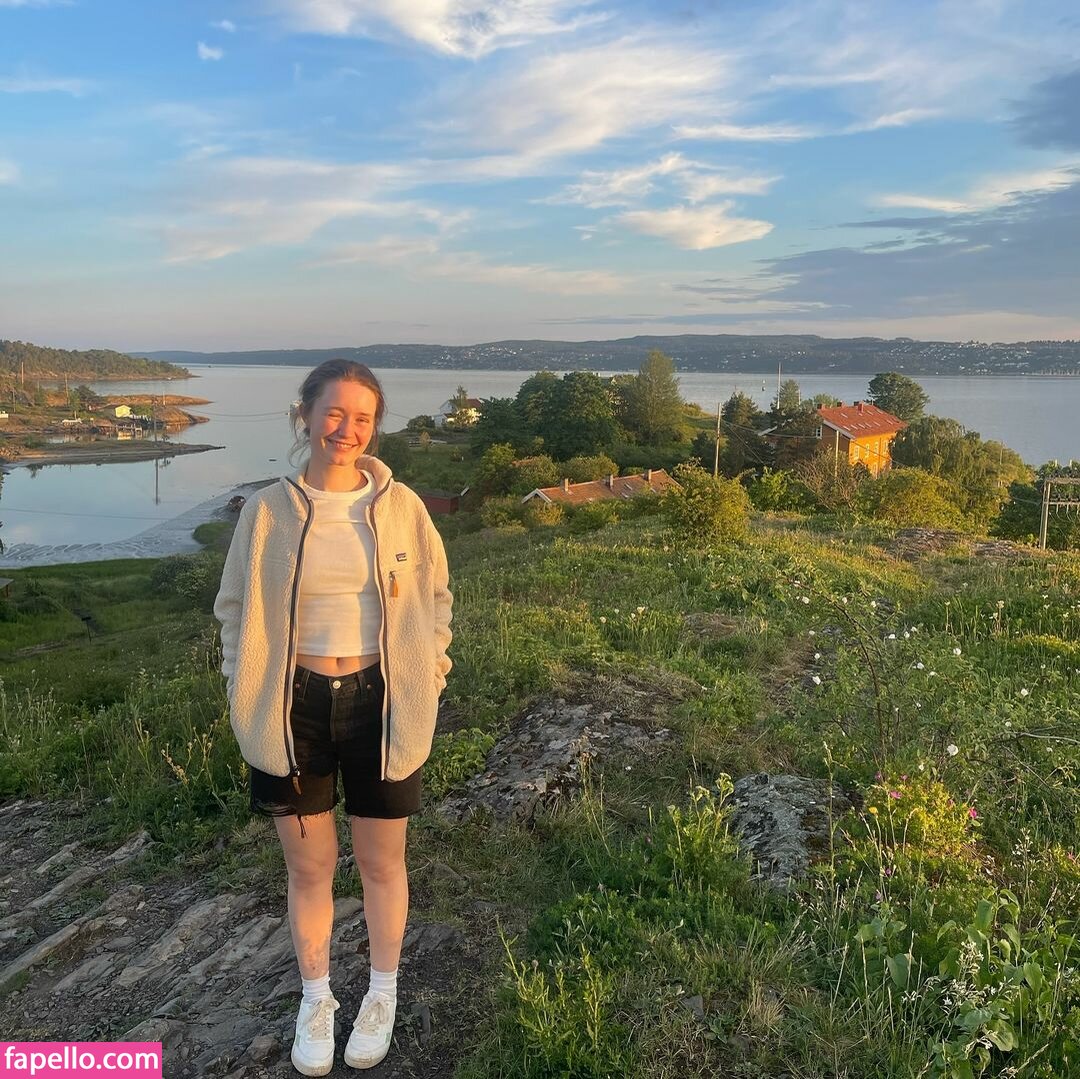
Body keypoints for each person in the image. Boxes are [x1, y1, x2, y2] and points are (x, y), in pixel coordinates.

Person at [213, 360, 452, 1075]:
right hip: (293, 709)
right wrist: (243, 690)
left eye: (363, 418)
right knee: (310, 866)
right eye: (335, 412)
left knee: (381, 862)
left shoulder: (403, 507)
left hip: (384, 703)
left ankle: (382, 991)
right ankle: (316, 998)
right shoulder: (267, 511)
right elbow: (233, 610)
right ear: (305, 414)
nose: (347, 429)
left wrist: (430, 676)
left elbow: (436, 600)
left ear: (375, 428)